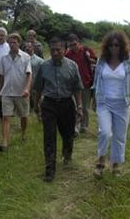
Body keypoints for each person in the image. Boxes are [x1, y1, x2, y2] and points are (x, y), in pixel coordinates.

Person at [92, 30, 130, 178]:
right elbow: (96, 83)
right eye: (111, 45)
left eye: (117, 45)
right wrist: (94, 100)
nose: (114, 48)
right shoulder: (101, 61)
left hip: (122, 103)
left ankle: (116, 164)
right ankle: (100, 161)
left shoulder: (129, 62)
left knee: (119, 136)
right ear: (106, 46)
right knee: (105, 132)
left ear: (122, 46)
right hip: (104, 102)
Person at [34, 37, 84, 182]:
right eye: (52, 50)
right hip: (49, 104)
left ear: (64, 50)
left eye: (58, 50)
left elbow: (77, 88)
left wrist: (79, 106)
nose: (55, 53)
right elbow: (38, 88)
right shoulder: (44, 66)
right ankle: (50, 169)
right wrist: (36, 106)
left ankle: (67, 154)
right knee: (49, 137)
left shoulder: (72, 66)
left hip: (66, 104)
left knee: (67, 134)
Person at [0, 33, 32, 151]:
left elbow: (29, 75)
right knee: (6, 117)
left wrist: (27, 89)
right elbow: (1, 76)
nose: (12, 45)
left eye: (14, 42)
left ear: (19, 43)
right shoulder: (4, 58)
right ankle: (5, 142)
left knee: (23, 116)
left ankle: (23, 133)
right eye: (10, 42)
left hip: (21, 92)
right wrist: (0, 90)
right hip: (7, 92)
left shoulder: (26, 57)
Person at [65, 34, 97, 135]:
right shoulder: (68, 54)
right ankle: (76, 127)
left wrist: (89, 58)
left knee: (85, 107)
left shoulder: (86, 50)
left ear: (78, 42)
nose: (73, 47)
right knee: (75, 106)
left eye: (74, 44)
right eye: (70, 45)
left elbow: (95, 61)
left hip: (86, 82)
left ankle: (84, 126)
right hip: (73, 85)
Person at [24, 41, 44, 116]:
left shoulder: (39, 61)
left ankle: (40, 116)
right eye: (26, 47)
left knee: (38, 103)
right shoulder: (23, 59)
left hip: (35, 86)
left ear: (33, 48)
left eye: (29, 47)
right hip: (25, 86)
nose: (27, 48)